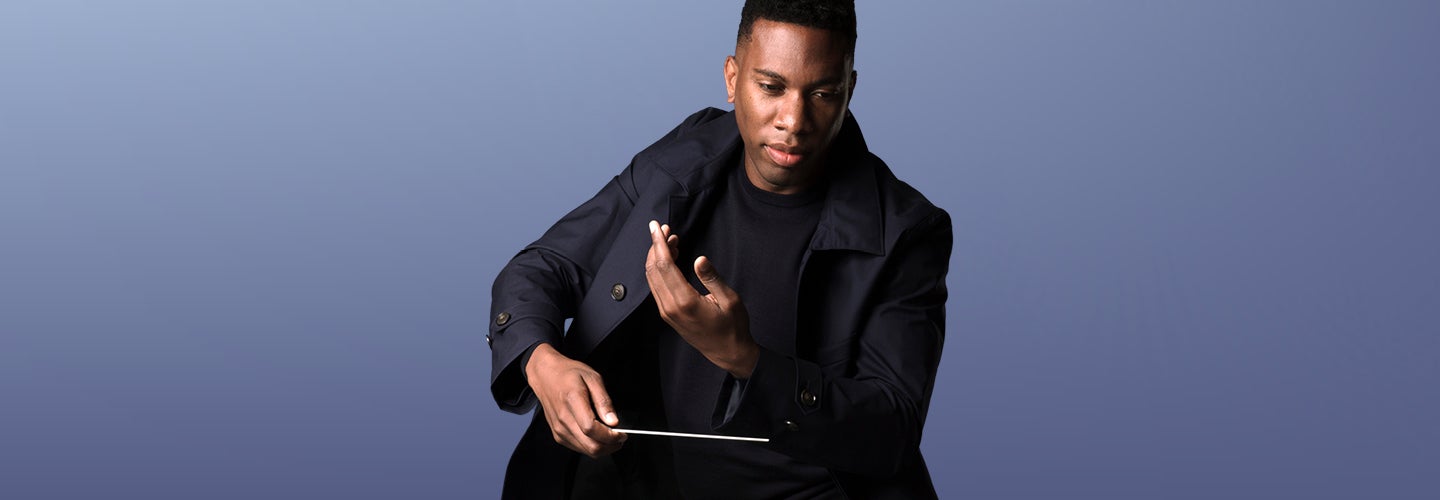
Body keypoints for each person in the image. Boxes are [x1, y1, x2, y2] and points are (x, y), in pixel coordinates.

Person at [487, 1, 951, 497]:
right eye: (771, 87)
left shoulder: (905, 230)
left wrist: (743, 357)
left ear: (849, 91)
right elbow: (541, 268)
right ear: (732, 79)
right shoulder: (689, 153)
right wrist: (541, 361)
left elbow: (891, 432)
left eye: (823, 93)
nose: (793, 120)